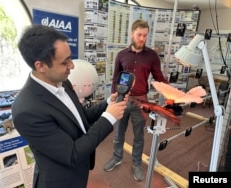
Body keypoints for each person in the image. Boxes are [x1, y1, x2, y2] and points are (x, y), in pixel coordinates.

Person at [11, 24, 128, 188]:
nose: (72, 66)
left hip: (79, 174)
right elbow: (73, 153)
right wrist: (109, 118)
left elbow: (80, 118)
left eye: (70, 59)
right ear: (41, 66)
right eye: (65, 62)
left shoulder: (63, 82)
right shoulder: (27, 111)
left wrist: (107, 104)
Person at [103, 19, 169, 181]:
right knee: (118, 133)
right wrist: (114, 96)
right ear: (132, 34)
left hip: (140, 101)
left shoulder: (152, 56)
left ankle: (137, 164)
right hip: (122, 99)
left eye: (145, 36)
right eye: (139, 35)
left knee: (139, 136)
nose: (142, 39)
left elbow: (159, 77)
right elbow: (115, 79)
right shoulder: (121, 55)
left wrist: (171, 92)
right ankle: (117, 157)